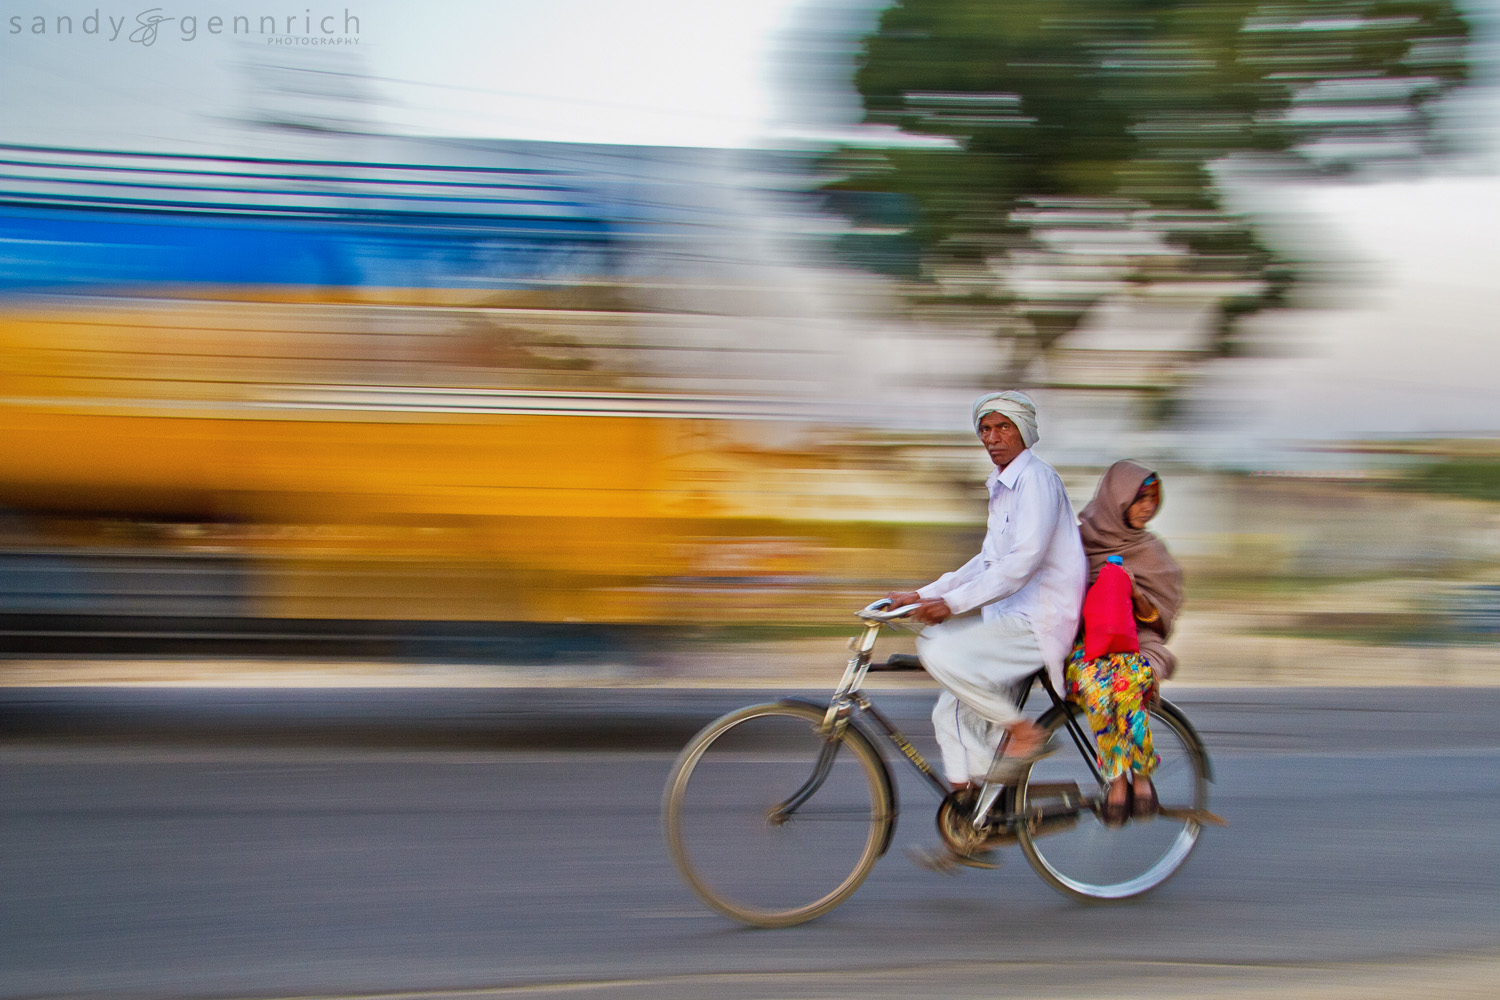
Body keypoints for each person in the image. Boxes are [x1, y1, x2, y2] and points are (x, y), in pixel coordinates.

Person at [888, 391, 1088, 812]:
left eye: (1003, 427)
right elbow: (987, 560)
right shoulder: (1003, 486)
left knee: (937, 648)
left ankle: (1023, 732)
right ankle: (972, 813)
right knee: (949, 715)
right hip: (1008, 620)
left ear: (1024, 432)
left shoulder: (1037, 479)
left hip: (1038, 621)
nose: (992, 437)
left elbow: (1024, 561)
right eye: (985, 428)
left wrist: (952, 605)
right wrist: (925, 595)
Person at [1069, 460, 1185, 824]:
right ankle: (1116, 778)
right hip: (1087, 644)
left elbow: (1159, 618)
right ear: (1116, 499)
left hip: (1137, 642)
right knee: (1096, 686)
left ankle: (1142, 774)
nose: (1148, 507)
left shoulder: (1151, 551)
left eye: (1152, 499)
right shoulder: (1078, 542)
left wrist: (1134, 595)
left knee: (1127, 681)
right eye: (1139, 499)